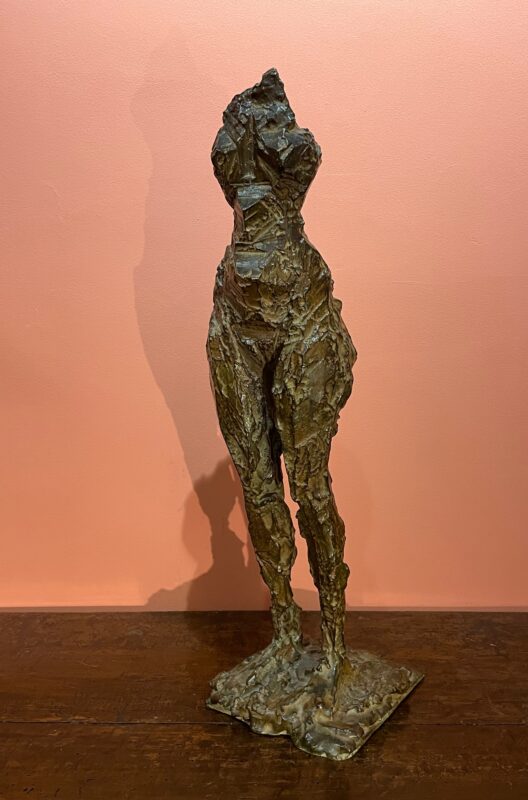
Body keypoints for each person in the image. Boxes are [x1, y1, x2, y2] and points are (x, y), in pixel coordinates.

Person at [207, 68, 357, 701]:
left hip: (301, 313)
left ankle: (335, 641)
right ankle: (285, 632)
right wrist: (243, 123)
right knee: (256, 477)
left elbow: (304, 156)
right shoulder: (232, 135)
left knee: (309, 482)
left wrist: (269, 124)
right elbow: (228, 170)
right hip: (236, 317)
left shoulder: (291, 142)